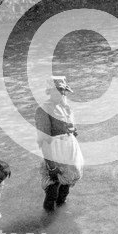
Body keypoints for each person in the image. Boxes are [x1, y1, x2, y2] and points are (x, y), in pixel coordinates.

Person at [36, 76, 84, 211]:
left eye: (62, 91)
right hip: (54, 154)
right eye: (57, 90)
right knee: (52, 192)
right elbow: (43, 140)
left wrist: (73, 132)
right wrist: (51, 166)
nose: (61, 93)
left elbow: (71, 130)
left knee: (64, 191)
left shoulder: (66, 108)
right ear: (50, 92)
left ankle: (59, 221)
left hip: (69, 154)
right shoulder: (43, 110)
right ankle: (47, 220)